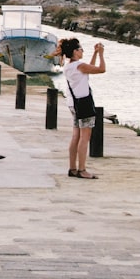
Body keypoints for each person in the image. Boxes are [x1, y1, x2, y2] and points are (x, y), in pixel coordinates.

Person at [61, 37, 106, 180]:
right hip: (84, 103)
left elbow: (89, 68)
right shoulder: (79, 66)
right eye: (80, 49)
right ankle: (82, 169)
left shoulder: (69, 66)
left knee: (76, 135)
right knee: (85, 137)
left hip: (73, 103)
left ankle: (72, 168)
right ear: (75, 51)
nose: (82, 51)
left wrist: (94, 53)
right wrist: (101, 54)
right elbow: (101, 69)